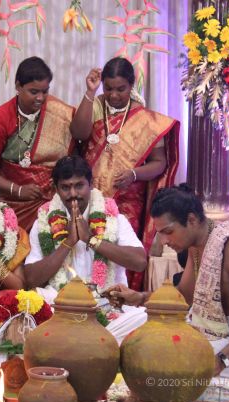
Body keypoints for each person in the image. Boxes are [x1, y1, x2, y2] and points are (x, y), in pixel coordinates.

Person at [123, 185, 229, 379]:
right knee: (141, 341)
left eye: (168, 231)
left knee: (167, 362)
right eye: (160, 233)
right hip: (224, 337)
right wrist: (139, 297)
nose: (164, 241)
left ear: (192, 220)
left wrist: (220, 361)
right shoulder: (196, 247)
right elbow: (183, 297)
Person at [72, 57, 180, 290]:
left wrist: (134, 173)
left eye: (120, 89)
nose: (113, 95)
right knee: (87, 249)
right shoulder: (95, 106)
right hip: (90, 198)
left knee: (122, 252)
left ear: (131, 85)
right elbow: (78, 133)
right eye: (108, 88)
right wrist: (90, 92)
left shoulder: (147, 121)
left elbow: (159, 163)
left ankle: (121, 297)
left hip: (128, 201)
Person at [24, 156, 147, 342]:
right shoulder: (44, 222)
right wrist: (68, 242)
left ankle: (89, 341)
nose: (73, 193)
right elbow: (31, 278)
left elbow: (140, 262)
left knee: (144, 318)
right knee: (24, 309)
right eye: (65, 187)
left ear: (91, 184)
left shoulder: (113, 218)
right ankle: (96, 342)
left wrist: (91, 239)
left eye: (79, 185)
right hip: (59, 308)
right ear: (56, 189)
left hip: (107, 307)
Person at [0, 56, 75, 231]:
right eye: (33, 91)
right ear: (18, 86)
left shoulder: (58, 112)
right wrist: (18, 190)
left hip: (53, 203)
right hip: (13, 205)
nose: (40, 98)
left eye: (45, 91)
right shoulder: (0, 119)